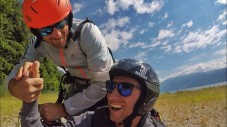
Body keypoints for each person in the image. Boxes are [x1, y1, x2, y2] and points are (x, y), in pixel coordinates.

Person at [6, 0, 113, 123]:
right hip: (77, 85)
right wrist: (15, 87)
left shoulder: (87, 32)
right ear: (37, 33)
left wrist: (63, 108)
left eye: (61, 24)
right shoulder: (37, 44)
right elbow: (14, 74)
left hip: (104, 87)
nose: (57, 35)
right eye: (46, 31)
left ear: (69, 18)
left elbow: (102, 84)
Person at [21, 58, 165, 127]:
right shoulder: (92, 120)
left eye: (125, 88)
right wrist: (30, 99)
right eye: (110, 86)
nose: (112, 95)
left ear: (146, 99)